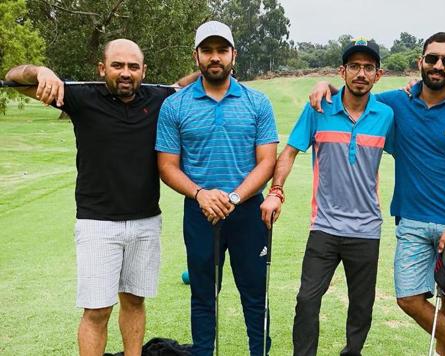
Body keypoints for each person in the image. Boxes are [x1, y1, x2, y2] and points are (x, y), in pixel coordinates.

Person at [4, 39, 197, 356]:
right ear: (101, 68)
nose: (125, 73)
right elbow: (13, 78)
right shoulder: (80, 97)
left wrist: (211, 64)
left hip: (146, 221)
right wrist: (41, 71)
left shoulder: (159, 98)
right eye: (117, 65)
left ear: (144, 71)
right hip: (97, 225)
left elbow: (187, 84)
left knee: (134, 301)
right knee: (97, 311)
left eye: (133, 67)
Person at [309, 32, 445, 356]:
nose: (438, 65)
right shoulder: (394, 103)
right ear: (420, 62)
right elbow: (355, 96)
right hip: (412, 220)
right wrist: (328, 87)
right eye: (432, 58)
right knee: (408, 298)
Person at [261, 37, 394, 356]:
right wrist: (276, 191)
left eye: (368, 67)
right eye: (354, 66)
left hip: (367, 229)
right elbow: (290, 151)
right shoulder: (319, 107)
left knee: (362, 307)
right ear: (342, 71)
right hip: (324, 227)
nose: (361, 73)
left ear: (378, 74)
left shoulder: (386, 115)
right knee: (307, 300)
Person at [155, 21, 278, 356]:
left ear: (233, 54)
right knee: (204, 296)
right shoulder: (175, 106)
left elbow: (266, 162)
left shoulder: (257, 102)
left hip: (248, 212)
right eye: (207, 50)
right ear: (196, 56)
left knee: (255, 296)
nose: (215, 57)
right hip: (200, 214)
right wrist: (200, 194)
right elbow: (167, 165)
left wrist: (235, 197)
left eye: (221, 50)